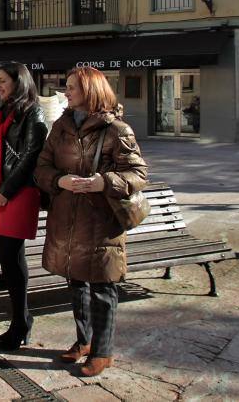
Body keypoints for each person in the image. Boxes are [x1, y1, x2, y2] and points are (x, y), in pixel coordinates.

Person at [35, 66, 148, 377]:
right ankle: (84, 341)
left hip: (101, 222)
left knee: (102, 287)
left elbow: (138, 174)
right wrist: (59, 181)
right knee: (76, 281)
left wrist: (104, 182)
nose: (66, 91)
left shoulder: (116, 130)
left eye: (72, 87)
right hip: (67, 219)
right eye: (67, 86)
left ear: (91, 91)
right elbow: (41, 168)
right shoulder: (60, 126)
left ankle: (103, 351)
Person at [0, 62, 47, 350]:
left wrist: (6, 191)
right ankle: (21, 319)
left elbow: (31, 156)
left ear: (18, 82)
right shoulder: (1, 111)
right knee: (7, 257)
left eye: (3, 80)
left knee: (11, 254)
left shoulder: (33, 112)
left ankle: (20, 322)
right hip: (0, 192)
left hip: (19, 192)